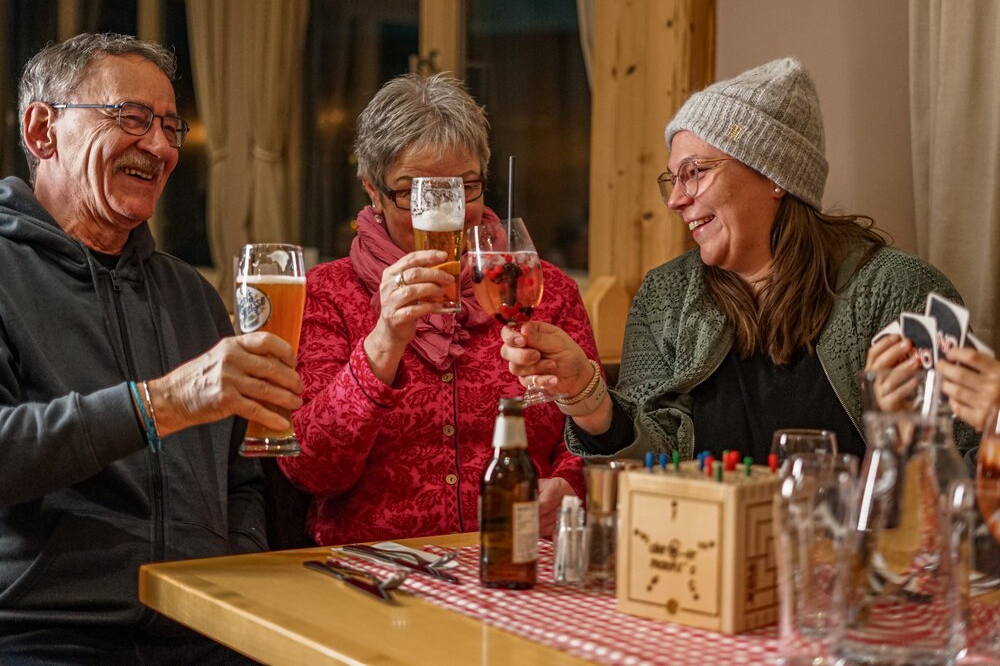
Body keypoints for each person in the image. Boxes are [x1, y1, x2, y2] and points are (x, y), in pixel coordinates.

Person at [499, 57, 977, 464]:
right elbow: (653, 466)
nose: (676, 200)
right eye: (673, 179)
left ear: (775, 174)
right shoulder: (667, 297)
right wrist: (589, 394)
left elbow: (967, 459)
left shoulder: (901, 292)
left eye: (695, 173)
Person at [0, 33, 302, 663]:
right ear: (41, 130)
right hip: (47, 632)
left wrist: (241, 568)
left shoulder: (189, 292)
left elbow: (241, 474)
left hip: (205, 628)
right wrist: (162, 402)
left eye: (170, 125)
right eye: (131, 118)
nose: (162, 146)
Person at [278, 73, 597, 545]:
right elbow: (312, 469)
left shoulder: (545, 290)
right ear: (372, 190)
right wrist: (384, 341)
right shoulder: (325, 295)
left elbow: (593, 436)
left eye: (464, 186)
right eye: (416, 192)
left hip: (515, 563)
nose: (446, 211)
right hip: (376, 575)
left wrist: (571, 488)